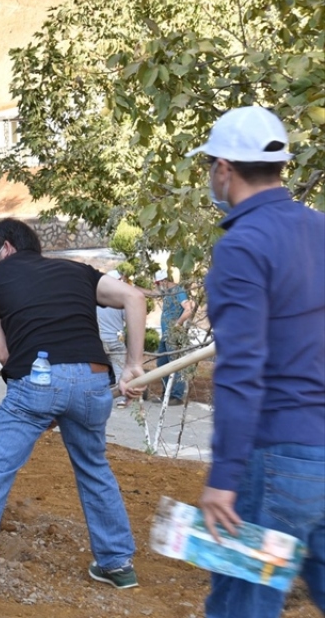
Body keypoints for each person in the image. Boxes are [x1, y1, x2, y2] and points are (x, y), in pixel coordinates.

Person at [0, 218, 147, 606]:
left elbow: (5, 355)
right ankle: (116, 563)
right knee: (94, 468)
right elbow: (135, 297)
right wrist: (134, 364)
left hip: (38, 378)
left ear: (6, 247)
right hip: (94, 380)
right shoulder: (78, 271)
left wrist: (40, 401)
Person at [185, 105, 324, 617]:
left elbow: (242, 370)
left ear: (224, 168)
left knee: (241, 606)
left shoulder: (243, 247)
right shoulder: (321, 229)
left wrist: (223, 477)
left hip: (277, 463)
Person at [153, 268, 195, 404]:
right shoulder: (167, 292)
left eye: (158, 284)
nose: (158, 287)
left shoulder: (179, 291)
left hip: (174, 334)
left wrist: (178, 323)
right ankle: (166, 394)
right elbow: (152, 293)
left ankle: (176, 396)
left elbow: (188, 309)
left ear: (164, 281)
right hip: (166, 334)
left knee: (176, 364)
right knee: (162, 363)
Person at [97, 269, 129, 407]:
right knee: (120, 370)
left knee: (99, 370)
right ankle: (122, 398)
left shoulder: (97, 299)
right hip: (116, 339)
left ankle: (98, 397)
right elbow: (128, 319)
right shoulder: (120, 300)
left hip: (100, 339)